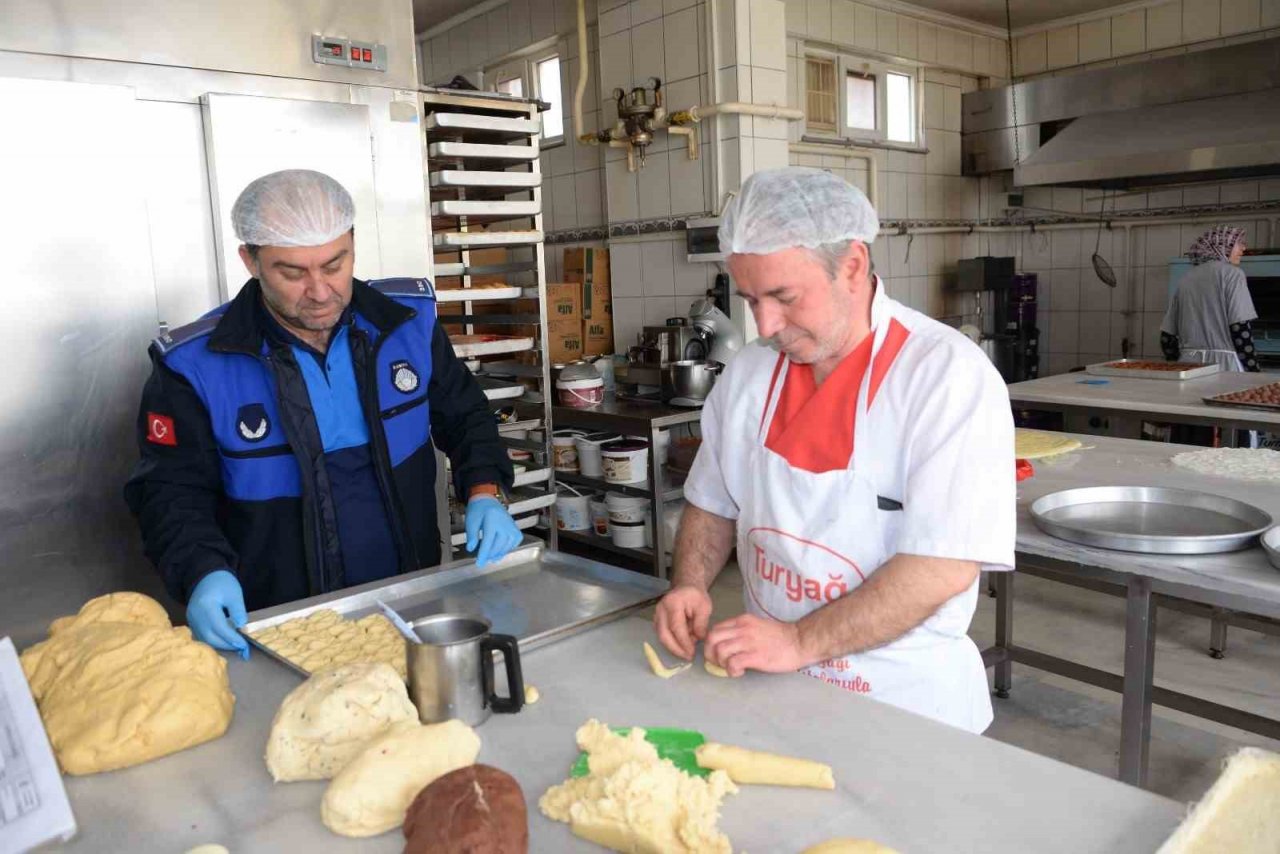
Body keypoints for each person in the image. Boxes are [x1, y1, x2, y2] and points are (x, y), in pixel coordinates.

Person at [653, 168, 1015, 733]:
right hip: (772, 689)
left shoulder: (945, 377)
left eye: (784, 296)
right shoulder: (750, 374)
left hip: (907, 710)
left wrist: (799, 640)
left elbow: (941, 565)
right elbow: (711, 501)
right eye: (751, 299)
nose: (766, 324)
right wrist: (690, 585)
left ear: (852, 265)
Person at [125, 170, 520, 658]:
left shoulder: (406, 325)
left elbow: (466, 415)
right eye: (291, 272)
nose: (319, 290)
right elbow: (170, 491)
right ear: (250, 260)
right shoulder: (194, 366)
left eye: (335, 264)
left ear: (353, 244)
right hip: (279, 625)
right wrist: (202, 569)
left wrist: (485, 490)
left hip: (409, 599)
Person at [1161, 225, 1259, 372]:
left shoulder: (1187, 278)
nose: (1243, 249)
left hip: (1188, 365)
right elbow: (1240, 327)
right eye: (1239, 243)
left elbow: (1167, 337)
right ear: (1223, 246)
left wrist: (1176, 364)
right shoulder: (1232, 274)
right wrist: (1253, 369)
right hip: (1225, 367)